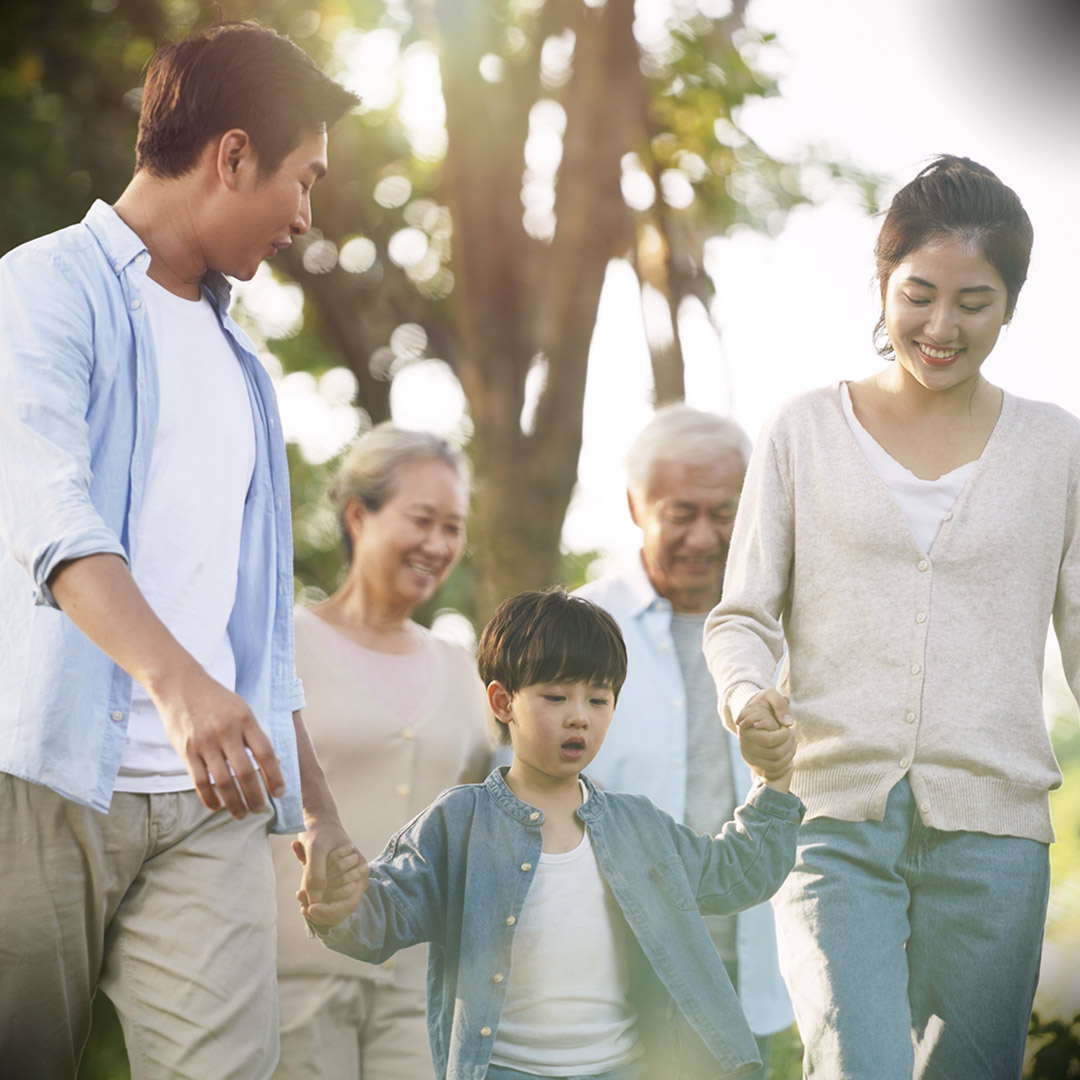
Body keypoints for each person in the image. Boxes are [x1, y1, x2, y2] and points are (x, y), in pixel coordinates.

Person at [0, 22, 360, 1079]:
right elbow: (44, 508)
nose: (305, 215)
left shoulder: (243, 361)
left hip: (211, 808)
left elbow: (250, 618)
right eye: (305, 180)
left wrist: (321, 812)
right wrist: (175, 684)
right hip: (39, 774)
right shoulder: (42, 288)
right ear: (233, 154)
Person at [703, 155, 1080, 1079]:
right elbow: (741, 614)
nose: (941, 327)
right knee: (855, 1064)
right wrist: (747, 694)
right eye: (918, 294)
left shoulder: (1056, 447)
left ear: (1011, 305)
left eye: (975, 302)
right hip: (830, 818)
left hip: (994, 834)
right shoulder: (803, 431)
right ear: (882, 283)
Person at [302, 588, 805, 1080]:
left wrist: (774, 779)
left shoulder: (638, 826)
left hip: (625, 1066)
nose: (578, 716)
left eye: (599, 699)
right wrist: (343, 903)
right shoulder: (460, 821)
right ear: (503, 702)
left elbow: (737, 874)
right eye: (556, 696)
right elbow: (385, 916)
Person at [270, 425, 493, 1080]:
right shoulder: (282, 644)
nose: (438, 544)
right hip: (293, 981)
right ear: (358, 515)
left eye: (453, 527)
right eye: (421, 519)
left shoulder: (464, 668)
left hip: (421, 990)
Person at [576, 404, 793, 1072]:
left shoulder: (793, 634)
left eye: (724, 511)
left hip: (775, 990)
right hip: (620, 995)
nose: (703, 536)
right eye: (680, 512)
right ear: (634, 506)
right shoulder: (577, 628)